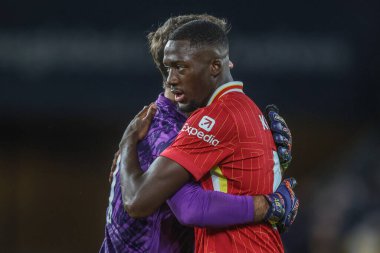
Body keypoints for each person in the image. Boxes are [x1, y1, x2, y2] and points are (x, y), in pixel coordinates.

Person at [100, 15, 298, 253]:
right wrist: (267, 205)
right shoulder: (170, 133)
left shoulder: (177, 125)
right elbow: (188, 207)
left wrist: (265, 160)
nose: (230, 64)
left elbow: (230, 184)